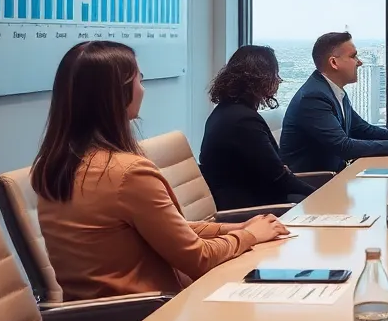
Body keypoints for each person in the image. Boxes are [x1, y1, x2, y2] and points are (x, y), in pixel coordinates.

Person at [33, 41, 288, 300]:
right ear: (118, 93)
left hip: (100, 319)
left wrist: (236, 228)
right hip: (146, 317)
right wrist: (249, 236)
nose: (142, 89)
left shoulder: (53, 165)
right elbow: (197, 259)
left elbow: (169, 229)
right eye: (139, 79)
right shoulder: (127, 173)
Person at [281, 31, 388, 173]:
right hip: (316, 184)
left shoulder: (333, 91)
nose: (359, 62)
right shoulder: (313, 97)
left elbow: (361, 129)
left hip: (336, 179)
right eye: (353, 56)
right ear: (334, 62)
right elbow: (343, 147)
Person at [200, 45, 314, 208]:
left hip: (249, 200)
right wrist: (318, 194)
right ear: (261, 78)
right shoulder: (243, 121)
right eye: (275, 74)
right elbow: (279, 177)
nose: (279, 80)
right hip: (251, 210)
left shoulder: (227, 111)